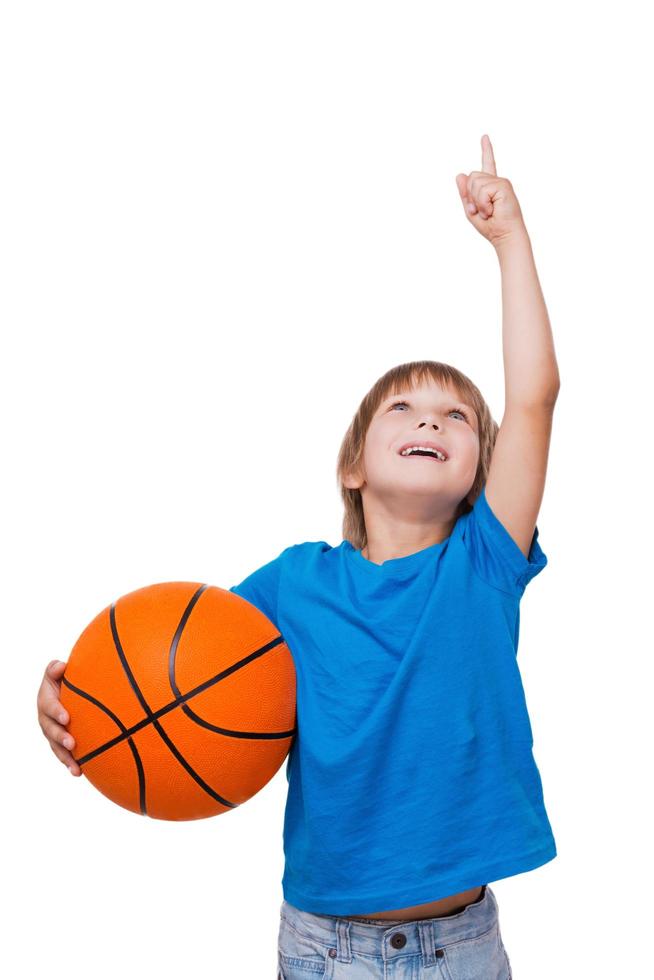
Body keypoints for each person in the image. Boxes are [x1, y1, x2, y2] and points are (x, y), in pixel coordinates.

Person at [36, 134, 559, 979]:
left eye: (457, 417)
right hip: (325, 949)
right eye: (403, 408)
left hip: (463, 944)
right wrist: (82, 708)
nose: (430, 421)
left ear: (481, 478)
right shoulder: (292, 585)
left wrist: (510, 241)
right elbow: (172, 677)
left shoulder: (484, 563)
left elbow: (534, 396)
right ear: (353, 467)